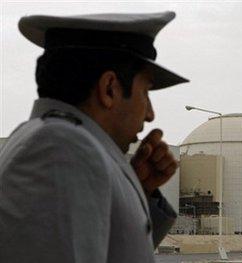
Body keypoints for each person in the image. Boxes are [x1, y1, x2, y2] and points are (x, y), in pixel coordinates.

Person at [0, 12, 188, 263]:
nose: (151, 115)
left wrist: (138, 189)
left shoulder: (57, 141)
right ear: (109, 88)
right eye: (145, 92)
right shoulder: (61, 148)